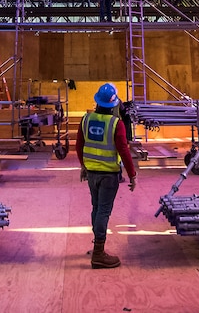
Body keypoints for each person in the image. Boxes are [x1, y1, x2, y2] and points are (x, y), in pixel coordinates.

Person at [77, 82, 137, 268]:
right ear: (114, 104)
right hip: (108, 175)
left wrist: (83, 166)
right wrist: (132, 174)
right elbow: (124, 150)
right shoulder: (115, 124)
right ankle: (98, 253)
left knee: (96, 208)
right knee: (103, 210)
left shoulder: (86, 119)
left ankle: (97, 245)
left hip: (92, 173)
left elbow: (79, 145)